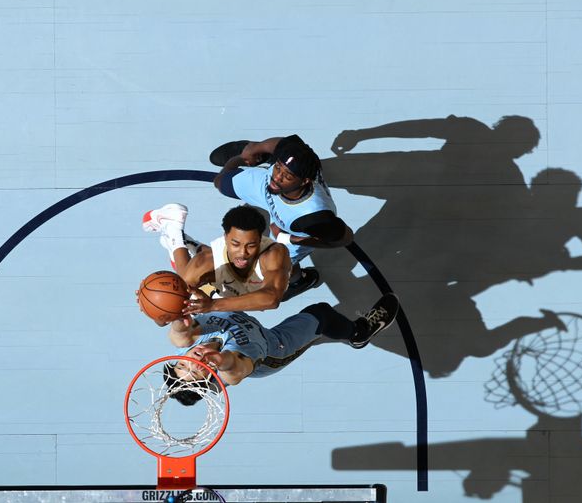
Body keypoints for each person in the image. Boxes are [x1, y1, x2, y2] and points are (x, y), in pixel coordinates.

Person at [156, 292, 400, 404]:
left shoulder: (188, 343)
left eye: (183, 363)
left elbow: (179, 335)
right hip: (273, 347)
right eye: (197, 370)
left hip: (237, 317)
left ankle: (298, 279)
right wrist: (221, 361)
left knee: (228, 281)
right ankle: (358, 333)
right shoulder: (235, 361)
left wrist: (170, 310)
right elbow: (236, 372)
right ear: (210, 375)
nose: (193, 360)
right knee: (321, 314)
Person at [211, 135, 354, 292]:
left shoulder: (314, 218)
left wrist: (291, 238)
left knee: (279, 266)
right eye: (278, 167)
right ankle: (258, 156)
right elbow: (281, 144)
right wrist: (253, 150)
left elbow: (345, 239)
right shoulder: (284, 164)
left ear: (305, 181)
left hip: (288, 230)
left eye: (287, 176)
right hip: (266, 192)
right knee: (220, 182)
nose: (277, 177)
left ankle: (298, 280)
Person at [143, 204, 307, 309]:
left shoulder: (274, 253)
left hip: (256, 285)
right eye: (235, 244)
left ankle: (185, 240)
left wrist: (213, 305)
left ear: (261, 240)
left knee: (287, 279)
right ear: (225, 237)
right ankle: (174, 233)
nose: (243, 253)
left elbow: (271, 299)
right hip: (224, 284)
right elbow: (174, 309)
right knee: (191, 298)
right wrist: (150, 303)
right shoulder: (206, 262)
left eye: (251, 245)